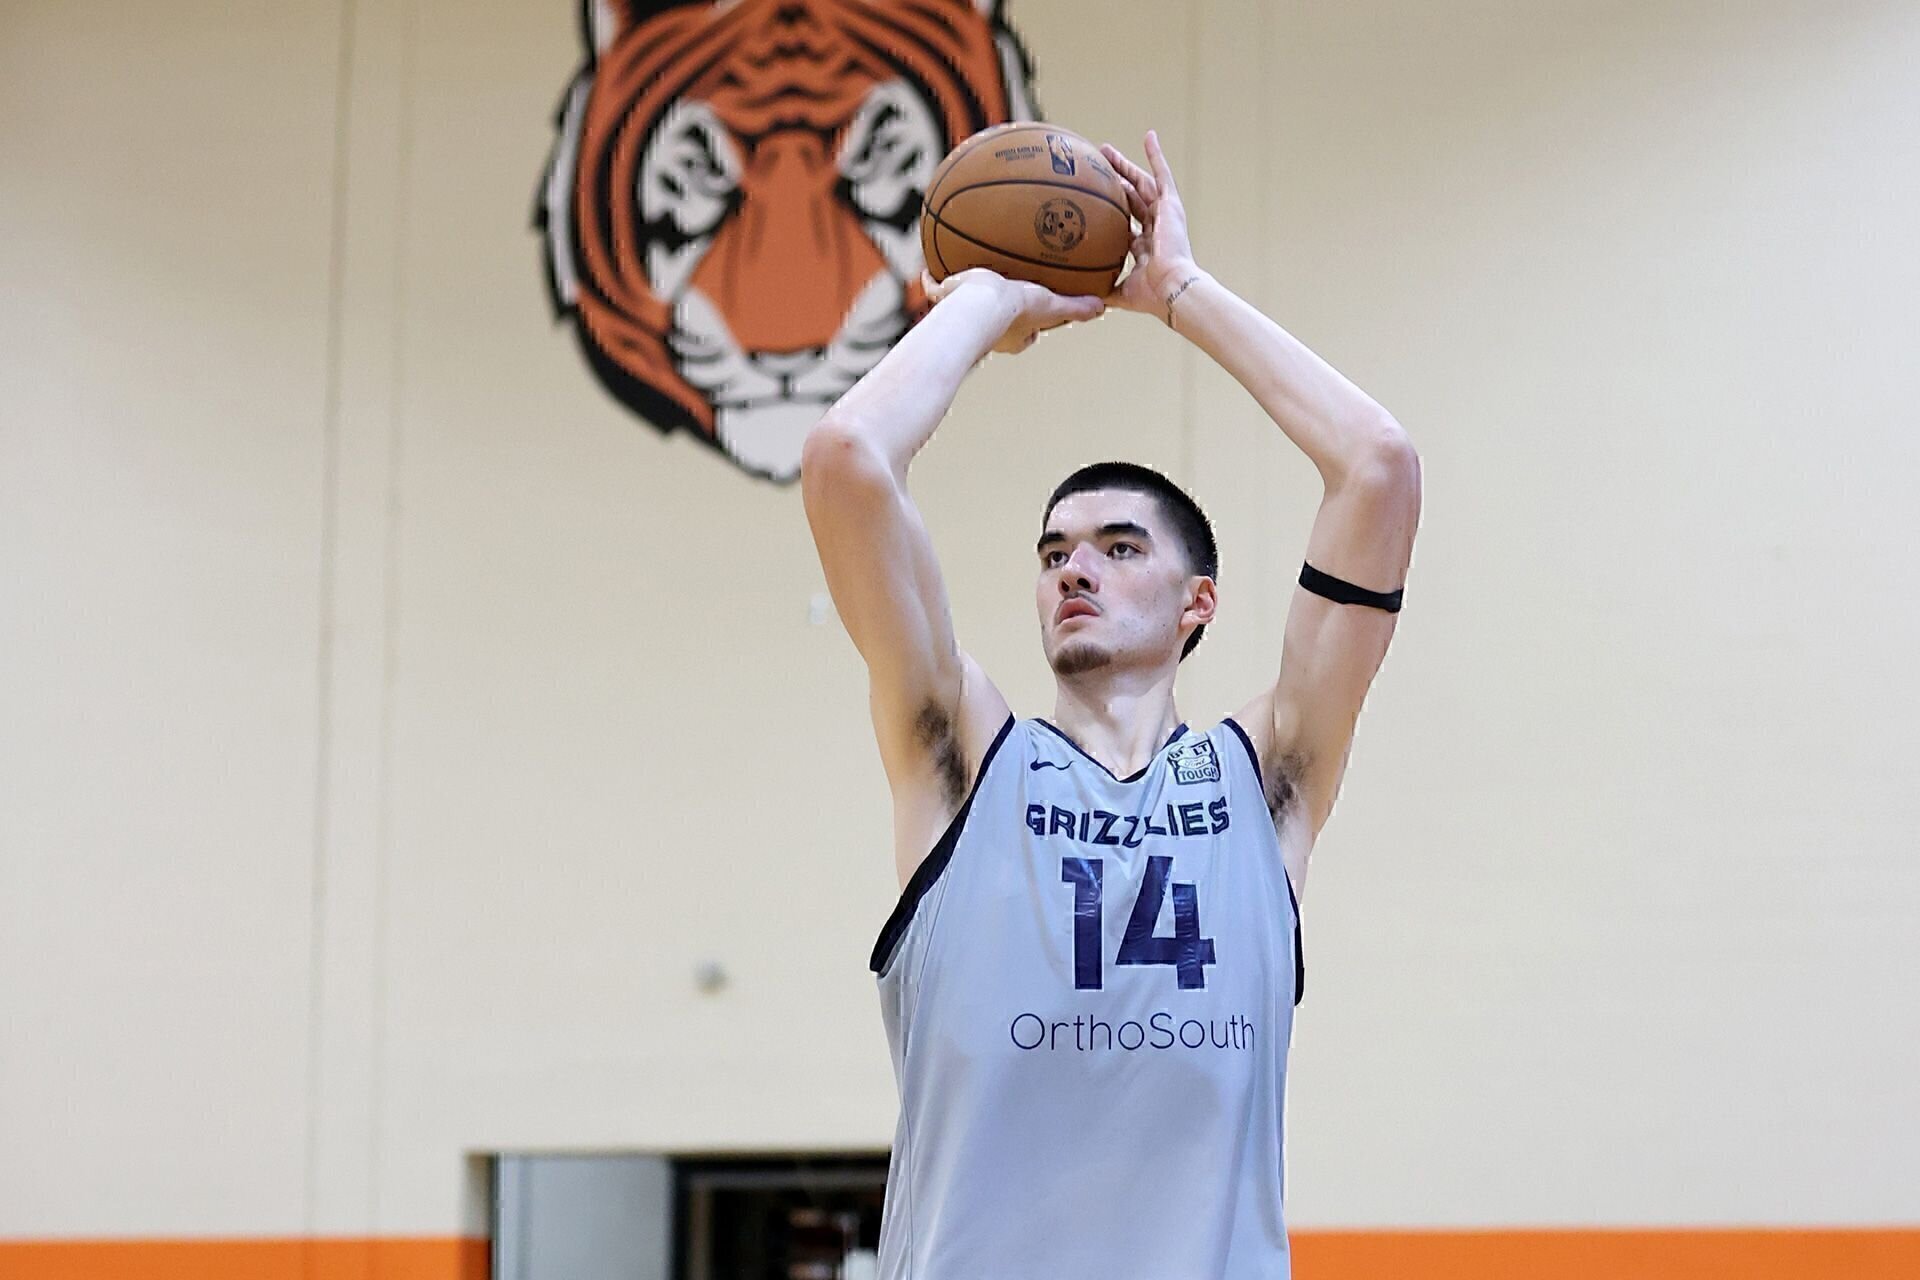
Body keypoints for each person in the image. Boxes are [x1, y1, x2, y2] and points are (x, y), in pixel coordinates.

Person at [801, 131, 1421, 1279]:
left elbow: (1378, 464)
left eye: (1118, 546)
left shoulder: (1268, 778)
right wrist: (986, 295)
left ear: (1199, 602)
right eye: (1053, 552)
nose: (1073, 570)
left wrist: (1179, 291)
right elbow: (845, 456)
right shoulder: (963, 759)